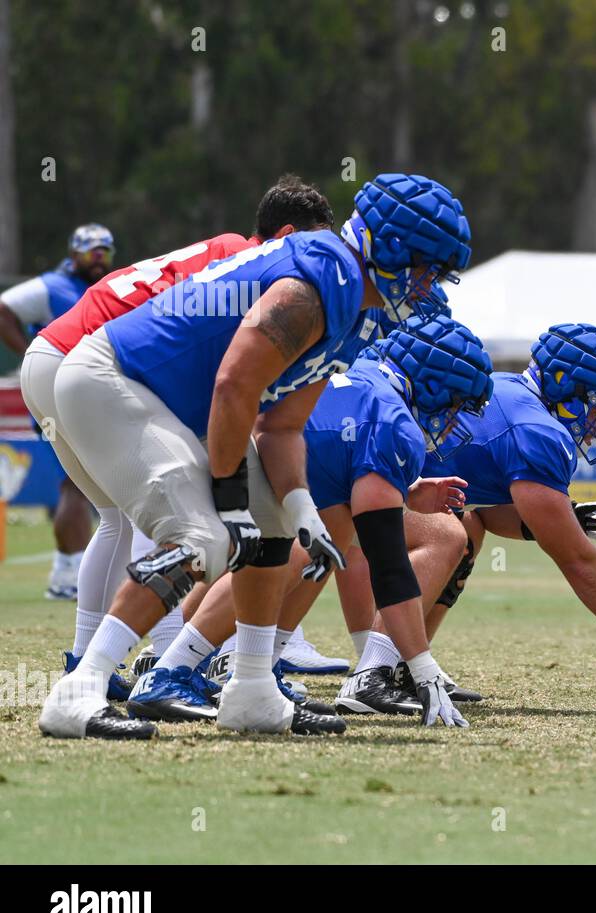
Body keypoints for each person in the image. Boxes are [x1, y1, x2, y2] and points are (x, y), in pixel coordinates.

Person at [38, 173, 471, 741]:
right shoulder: (317, 282)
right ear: (391, 250)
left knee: (274, 528)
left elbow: (282, 425)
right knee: (203, 538)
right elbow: (233, 387)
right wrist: (227, 498)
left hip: (177, 399)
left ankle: (251, 688)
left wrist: (300, 507)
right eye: (426, 268)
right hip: (114, 379)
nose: (429, 285)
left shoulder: (357, 312)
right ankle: (81, 688)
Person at [20, 176, 336, 700]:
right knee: (166, 506)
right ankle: (160, 662)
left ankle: (90, 662)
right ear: (286, 235)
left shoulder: (233, 253)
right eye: (316, 247)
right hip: (90, 360)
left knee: (120, 517)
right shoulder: (251, 266)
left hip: (58, 355)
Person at [128, 313, 493, 730]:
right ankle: (170, 670)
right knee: (282, 552)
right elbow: (389, 565)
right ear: (432, 387)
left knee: (327, 538)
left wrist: (405, 493)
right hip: (242, 442)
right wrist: (423, 669)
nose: (453, 421)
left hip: (222, 427)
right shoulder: (394, 424)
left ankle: (245, 669)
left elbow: (341, 462)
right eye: (456, 405)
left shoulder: (366, 369)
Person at [406, 323, 596, 695]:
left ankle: (406, 663)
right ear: (567, 388)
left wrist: (543, 521)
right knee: (450, 533)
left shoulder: (509, 388)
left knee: (465, 525)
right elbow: (576, 558)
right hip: (366, 498)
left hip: (374, 490)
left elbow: (486, 512)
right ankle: (378, 668)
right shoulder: (539, 430)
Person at [2, 224, 115, 599]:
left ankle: (70, 573)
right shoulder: (52, 286)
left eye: (105, 253)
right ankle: (68, 575)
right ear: (73, 253)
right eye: (90, 252)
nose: (98, 260)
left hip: (86, 397)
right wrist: (29, 353)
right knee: (77, 484)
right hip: (56, 398)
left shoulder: (101, 287)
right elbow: (3, 310)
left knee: (88, 484)